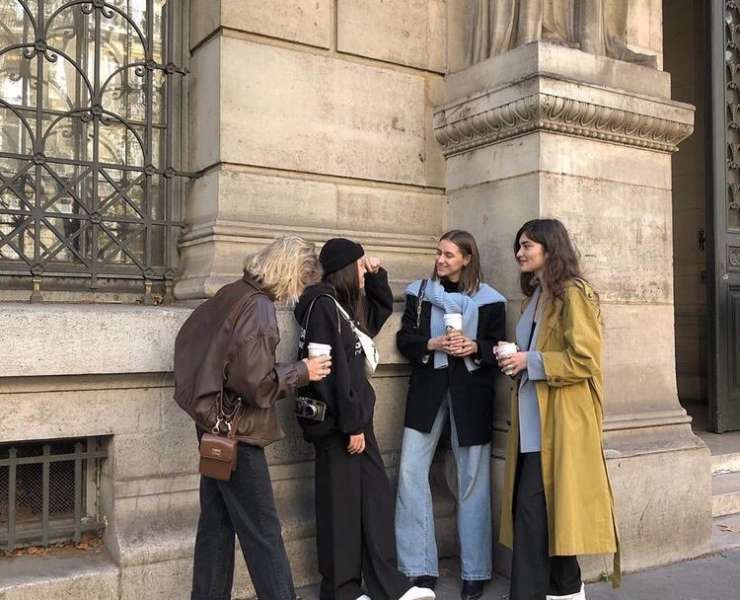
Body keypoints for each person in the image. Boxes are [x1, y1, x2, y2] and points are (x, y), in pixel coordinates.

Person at [174, 235, 333, 600]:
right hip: (237, 433)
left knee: (216, 525)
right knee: (264, 532)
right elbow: (258, 385)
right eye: (301, 282)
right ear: (289, 273)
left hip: (213, 427)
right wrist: (303, 371)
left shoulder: (232, 292)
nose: (298, 292)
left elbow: (193, 345)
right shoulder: (259, 308)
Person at [293, 238, 435, 600]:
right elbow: (328, 373)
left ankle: (389, 585)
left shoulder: (342, 306)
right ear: (344, 269)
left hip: (355, 416)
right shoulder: (323, 307)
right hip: (339, 422)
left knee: (374, 499)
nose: (363, 269)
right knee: (340, 507)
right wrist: (351, 426)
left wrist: (376, 275)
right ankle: (341, 591)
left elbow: (377, 314)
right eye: (359, 265)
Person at [496, 219, 619, 600]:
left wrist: (528, 361)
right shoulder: (536, 296)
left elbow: (585, 360)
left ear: (550, 248)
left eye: (527, 245)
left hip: (561, 423)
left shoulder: (574, 294)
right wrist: (516, 359)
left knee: (533, 518)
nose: (519, 253)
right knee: (544, 517)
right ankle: (567, 590)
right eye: (518, 245)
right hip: (533, 423)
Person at [394, 230, 506, 600]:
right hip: (427, 392)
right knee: (410, 471)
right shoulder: (419, 293)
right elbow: (405, 339)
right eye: (439, 253)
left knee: (473, 478)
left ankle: (475, 571)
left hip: (471, 397)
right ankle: (418, 567)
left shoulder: (491, 300)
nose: (440, 260)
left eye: (449, 255)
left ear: (467, 259)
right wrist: (432, 343)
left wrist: (474, 347)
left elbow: (497, 348)